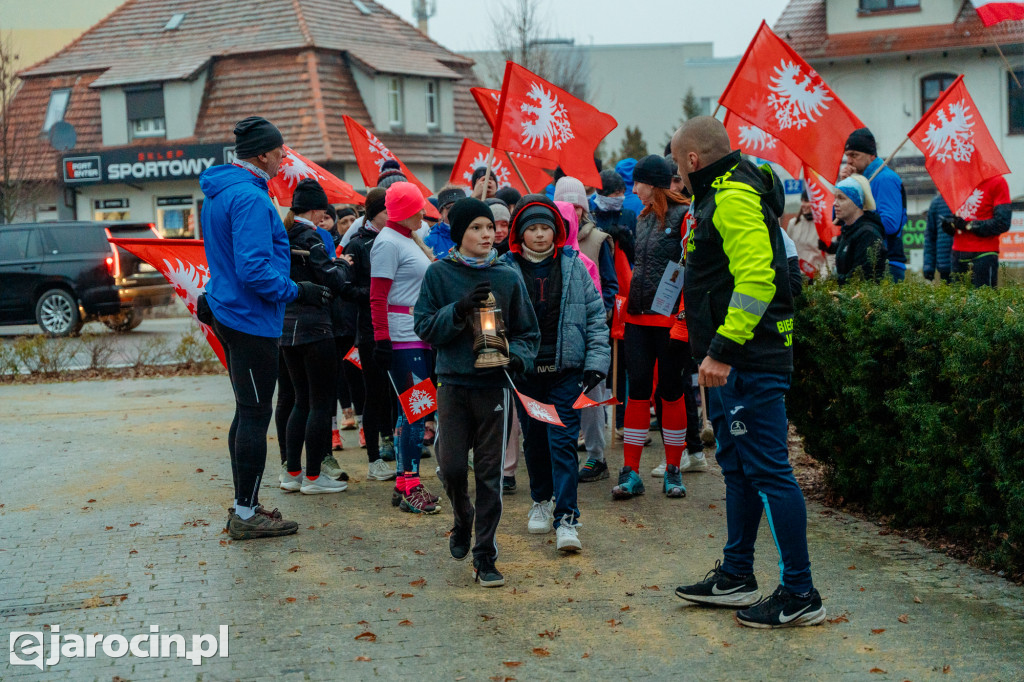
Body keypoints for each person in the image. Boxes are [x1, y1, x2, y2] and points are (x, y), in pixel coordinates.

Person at [671, 116, 824, 629]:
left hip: (747, 360)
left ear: (693, 160)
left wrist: (723, 349)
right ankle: (737, 572)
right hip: (731, 361)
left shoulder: (732, 194)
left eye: (677, 164)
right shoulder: (718, 194)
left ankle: (800, 592)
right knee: (737, 467)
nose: (677, 176)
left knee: (768, 472)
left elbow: (758, 275)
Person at [200, 116, 328, 540]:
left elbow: (227, 256)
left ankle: (246, 505)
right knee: (255, 415)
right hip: (251, 318)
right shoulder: (251, 199)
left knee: (246, 411)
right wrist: (298, 290)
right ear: (261, 154)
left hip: (233, 311)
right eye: (279, 150)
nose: (283, 156)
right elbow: (253, 268)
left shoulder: (224, 192)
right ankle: (244, 512)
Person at [414, 197, 540, 586]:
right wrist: (458, 309)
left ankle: (485, 555)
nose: (488, 234)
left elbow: (528, 333)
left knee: (489, 476)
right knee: (451, 467)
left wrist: (516, 358)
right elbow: (423, 327)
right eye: (477, 228)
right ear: (460, 234)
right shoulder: (438, 275)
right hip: (452, 383)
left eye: (490, 227)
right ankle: (462, 517)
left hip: (494, 389)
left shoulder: (507, 276)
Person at [503, 194, 608, 553]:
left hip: (566, 372)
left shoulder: (574, 265)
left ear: (557, 232)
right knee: (534, 440)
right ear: (519, 233)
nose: (539, 235)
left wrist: (596, 363)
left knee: (562, 443)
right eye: (531, 228)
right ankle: (541, 500)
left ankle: (567, 518)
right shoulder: (505, 268)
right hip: (526, 374)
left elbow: (595, 317)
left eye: (545, 228)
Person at [613, 154, 696, 501]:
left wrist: (682, 317)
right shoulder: (643, 218)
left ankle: (674, 469)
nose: (634, 189)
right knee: (638, 392)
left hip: (669, 322)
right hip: (637, 318)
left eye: (638, 183)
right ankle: (631, 471)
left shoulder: (685, 216)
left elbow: (690, 269)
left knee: (671, 391)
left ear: (652, 183)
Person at [278, 179, 352, 494]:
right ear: (317, 210)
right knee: (321, 404)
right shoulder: (311, 237)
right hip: (316, 329)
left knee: (300, 401)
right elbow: (332, 279)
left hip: (286, 329)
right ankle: (313, 477)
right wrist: (343, 265)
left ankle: (291, 473)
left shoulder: (280, 235)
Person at [370, 181, 439, 513]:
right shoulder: (387, 243)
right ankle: (412, 484)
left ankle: (403, 479)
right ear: (403, 211)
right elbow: (377, 296)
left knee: (410, 411)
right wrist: (382, 338)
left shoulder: (409, 236)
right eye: (417, 208)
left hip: (419, 332)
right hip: (401, 337)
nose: (423, 212)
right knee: (417, 411)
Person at [341, 189, 398, 482]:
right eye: (387, 211)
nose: (392, 216)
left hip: (403, 328)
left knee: (403, 391)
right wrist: (377, 295)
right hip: (370, 330)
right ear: (373, 213)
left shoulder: (402, 239)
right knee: (375, 394)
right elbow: (346, 288)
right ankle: (374, 457)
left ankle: (401, 444)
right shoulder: (357, 245)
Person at [844, 128, 908, 281]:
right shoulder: (858, 180)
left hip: (885, 263)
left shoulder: (885, 179)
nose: (849, 161)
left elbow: (891, 224)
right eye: (847, 155)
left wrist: (861, 223)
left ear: (872, 155)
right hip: (862, 260)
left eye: (854, 155)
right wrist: (846, 186)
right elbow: (839, 217)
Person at [555, 176, 617, 314]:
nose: (571, 212)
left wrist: (597, 315)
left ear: (584, 210)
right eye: (566, 206)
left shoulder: (598, 240)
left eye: (577, 207)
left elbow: (610, 285)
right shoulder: (548, 241)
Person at [943, 175, 1011, 287]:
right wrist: (949, 224)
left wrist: (970, 225)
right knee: (957, 302)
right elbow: (958, 218)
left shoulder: (997, 182)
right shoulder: (957, 182)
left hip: (984, 253)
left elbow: (1002, 222)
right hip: (958, 253)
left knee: (984, 301)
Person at [831, 175, 886, 284]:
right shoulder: (848, 231)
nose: (835, 204)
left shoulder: (868, 234)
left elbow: (860, 277)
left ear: (856, 201)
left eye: (841, 198)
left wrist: (832, 282)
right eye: (835, 198)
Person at [785, 192, 829, 280]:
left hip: (817, 279)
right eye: (802, 201)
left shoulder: (824, 226)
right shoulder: (793, 224)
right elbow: (788, 251)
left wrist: (821, 279)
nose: (803, 204)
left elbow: (829, 257)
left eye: (807, 201)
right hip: (796, 277)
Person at [424, 186, 467, 259]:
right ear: (441, 212)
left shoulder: (476, 235)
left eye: (461, 206)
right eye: (450, 207)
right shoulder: (430, 242)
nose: (457, 211)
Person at [923, 194, 954, 283]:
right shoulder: (937, 202)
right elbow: (930, 237)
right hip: (946, 265)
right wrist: (929, 266)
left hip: (968, 263)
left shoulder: (972, 200)